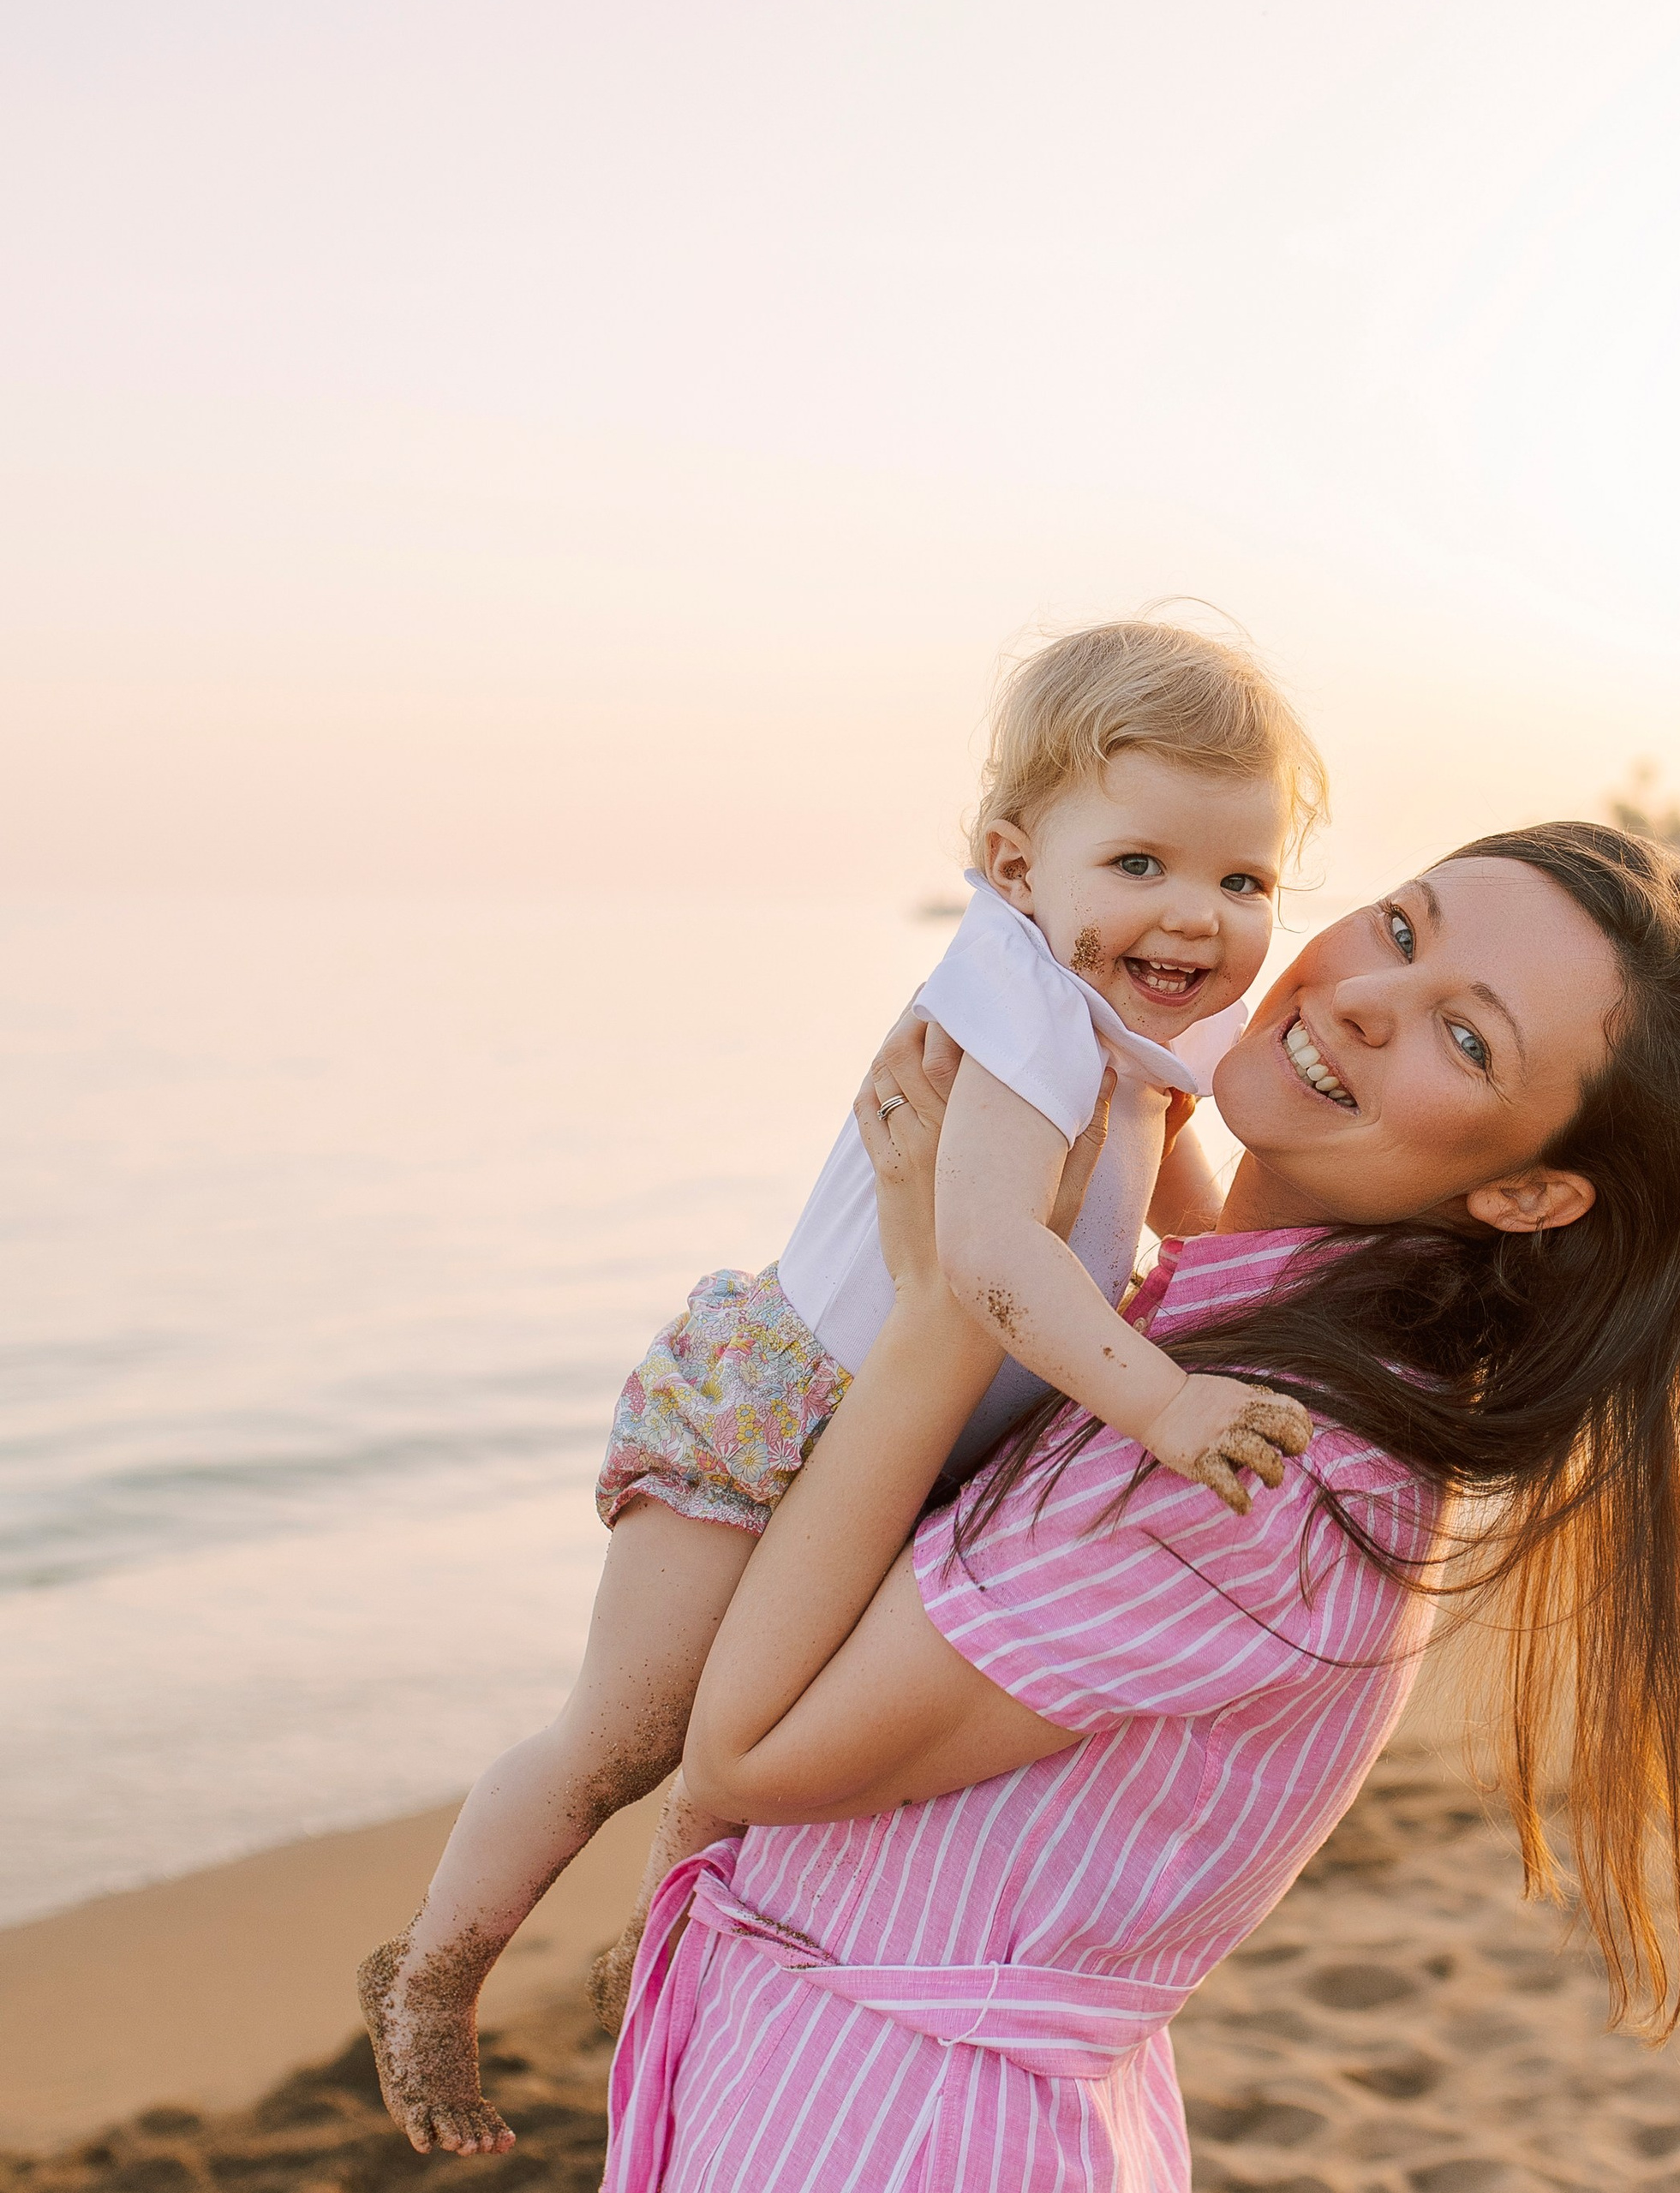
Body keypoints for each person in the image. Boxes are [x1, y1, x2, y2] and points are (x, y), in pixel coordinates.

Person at [601, 822, 1680, 2192]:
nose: (1367, 994)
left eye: (1466, 1034)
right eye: (1401, 924)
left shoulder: (1261, 1470)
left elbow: (748, 1752)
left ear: (1534, 1196)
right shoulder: (1196, 1349)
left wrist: (938, 1307)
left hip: (887, 2135)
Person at [358, 619, 1330, 2155]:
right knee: (627, 1736)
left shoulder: (1134, 1027)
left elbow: (1191, 1231)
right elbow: (991, 1255)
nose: (1196, 917)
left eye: (1243, 881)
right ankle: (433, 1973)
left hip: (905, 1445)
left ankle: (656, 1951)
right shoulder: (1012, 1004)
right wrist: (1164, 1405)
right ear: (1017, 868)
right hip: (783, 1415)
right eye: (1138, 863)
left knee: (752, 1756)